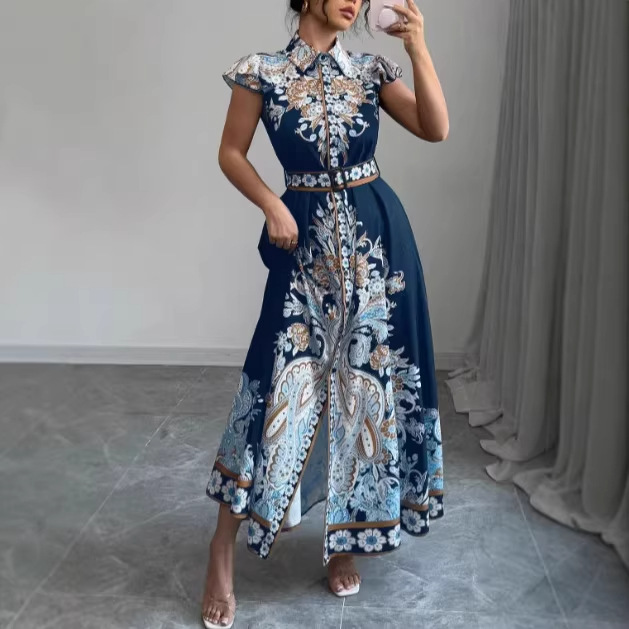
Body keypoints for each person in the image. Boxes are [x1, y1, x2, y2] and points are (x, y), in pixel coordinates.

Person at [201, 0, 449, 626]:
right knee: (273, 386)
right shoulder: (262, 72)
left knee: (364, 394)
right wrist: (271, 204)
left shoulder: (371, 71)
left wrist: (418, 47)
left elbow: (436, 127)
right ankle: (221, 550)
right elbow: (231, 152)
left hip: (378, 250)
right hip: (304, 251)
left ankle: (345, 541)